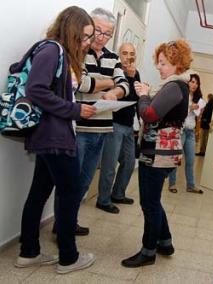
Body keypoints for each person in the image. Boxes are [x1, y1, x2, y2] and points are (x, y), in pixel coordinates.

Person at [15, 6, 97, 273]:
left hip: (50, 136)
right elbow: (36, 89)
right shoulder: (53, 50)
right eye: (84, 36)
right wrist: (74, 110)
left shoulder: (57, 52)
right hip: (55, 137)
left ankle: (28, 253)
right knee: (70, 193)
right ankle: (68, 257)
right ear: (71, 29)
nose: (86, 43)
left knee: (39, 193)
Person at [121, 39, 192, 267]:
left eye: (163, 63)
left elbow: (149, 115)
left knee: (149, 204)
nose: (158, 67)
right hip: (161, 152)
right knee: (154, 200)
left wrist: (143, 95)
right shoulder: (174, 86)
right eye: (158, 62)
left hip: (158, 153)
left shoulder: (174, 86)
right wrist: (148, 94)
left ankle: (148, 251)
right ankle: (164, 241)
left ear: (176, 64)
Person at [76, 7, 129, 219]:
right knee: (72, 179)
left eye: (108, 33)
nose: (102, 37)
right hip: (80, 126)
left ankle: (71, 221)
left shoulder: (113, 57)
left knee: (86, 180)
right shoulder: (79, 50)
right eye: (98, 31)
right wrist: (109, 82)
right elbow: (83, 83)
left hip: (102, 129)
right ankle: (63, 224)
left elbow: (124, 85)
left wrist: (115, 92)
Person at [97, 43, 139, 213]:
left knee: (129, 162)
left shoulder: (135, 73)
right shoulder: (114, 71)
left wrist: (133, 77)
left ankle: (118, 194)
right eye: (125, 53)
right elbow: (119, 95)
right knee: (109, 164)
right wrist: (128, 78)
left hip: (129, 125)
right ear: (119, 54)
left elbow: (136, 96)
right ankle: (103, 200)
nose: (128, 56)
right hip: (114, 124)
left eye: (132, 53)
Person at [168, 74, 206, 194]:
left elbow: (197, 116)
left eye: (196, 83)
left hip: (191, 132)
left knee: (190, 160)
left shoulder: (199, 99)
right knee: (176, 159)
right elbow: (177, 112)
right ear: (188, 83)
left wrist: (199, 113)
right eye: (192, 82)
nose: (194, 85)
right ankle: (172, 184)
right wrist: (190, 108)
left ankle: (190, 185)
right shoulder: (182, 96)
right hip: (181, 131)